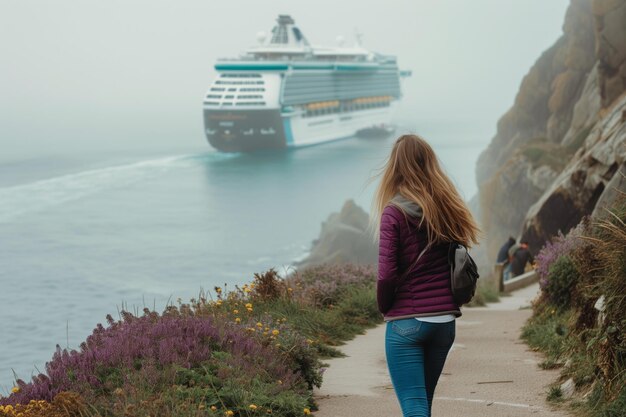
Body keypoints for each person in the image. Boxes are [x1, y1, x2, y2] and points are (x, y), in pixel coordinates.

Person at [370, 134, 480, 417]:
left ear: (395, 167)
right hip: (444, 322)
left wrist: (386, 307)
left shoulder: (393, 213)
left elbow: (386, 275)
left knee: (414, 407)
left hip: (407, 323)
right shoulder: (447, 208)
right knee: (422, 404)